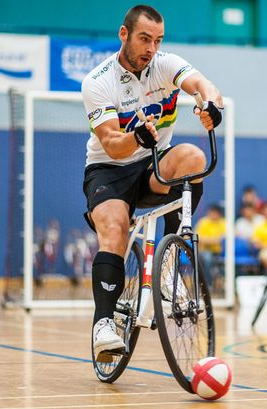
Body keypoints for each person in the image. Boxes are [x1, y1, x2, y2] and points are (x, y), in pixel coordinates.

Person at [81, 5, 223, 360]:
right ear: (124, 35)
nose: (151, 48)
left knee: (192, 156)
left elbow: (202, 84)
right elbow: (112, 144)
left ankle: (169, 266)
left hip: (152, 166)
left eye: (158, 40)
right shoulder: (98, 82)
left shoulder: (165, 64)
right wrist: (139, 139)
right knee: (114, 230)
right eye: (145, 38)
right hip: (108, 170)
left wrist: (210, 105)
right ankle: (103, 326)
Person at [195, 203, 226, 285]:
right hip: (205, 251)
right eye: (211, 212)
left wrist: (209, 240)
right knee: (207, 258)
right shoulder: (203, 222)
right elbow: (198, 238)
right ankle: (208, 284)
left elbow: (225, 238)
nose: (213, 214)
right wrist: (214, 240)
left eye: (215, 213)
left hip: (220, 252)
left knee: (229, 260)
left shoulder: (223, 223)